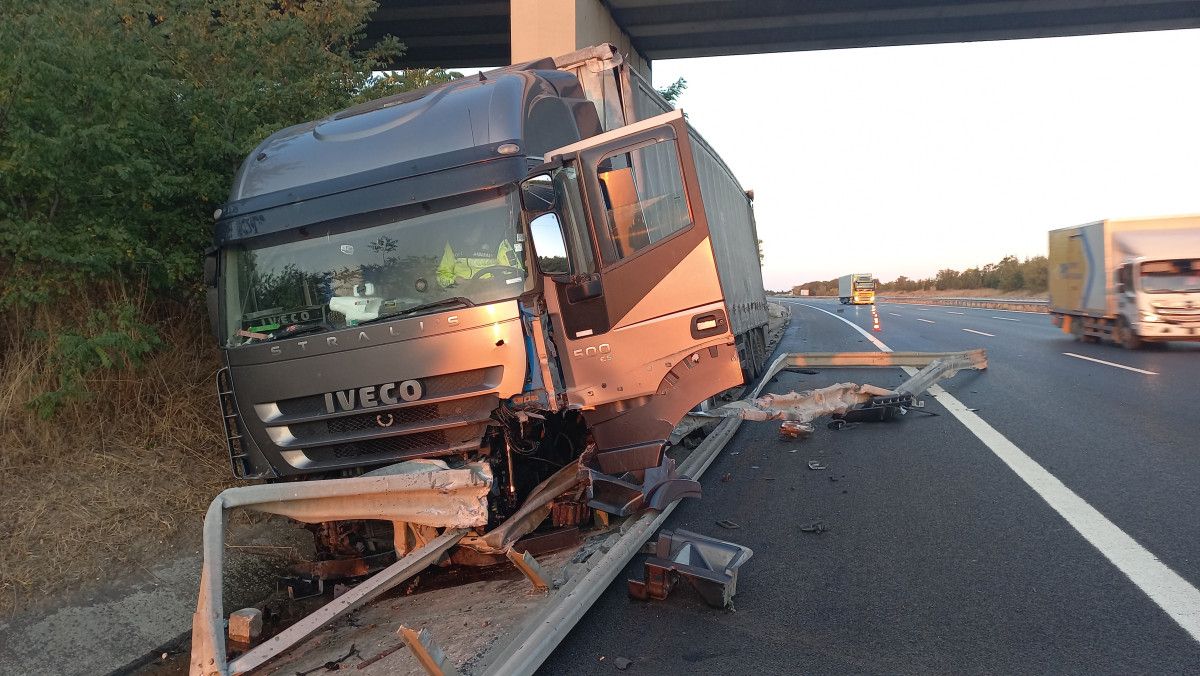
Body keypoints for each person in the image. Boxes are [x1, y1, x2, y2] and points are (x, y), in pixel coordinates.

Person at [436, 226, 521, 288]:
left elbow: (514, 272)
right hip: (462, 295)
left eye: (473, 227)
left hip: (493, 292)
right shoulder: (452, 245)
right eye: (465, 226)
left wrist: (494, 280)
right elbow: (441, 275)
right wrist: (455, 280)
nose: (469, 232)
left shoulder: (497, 240)